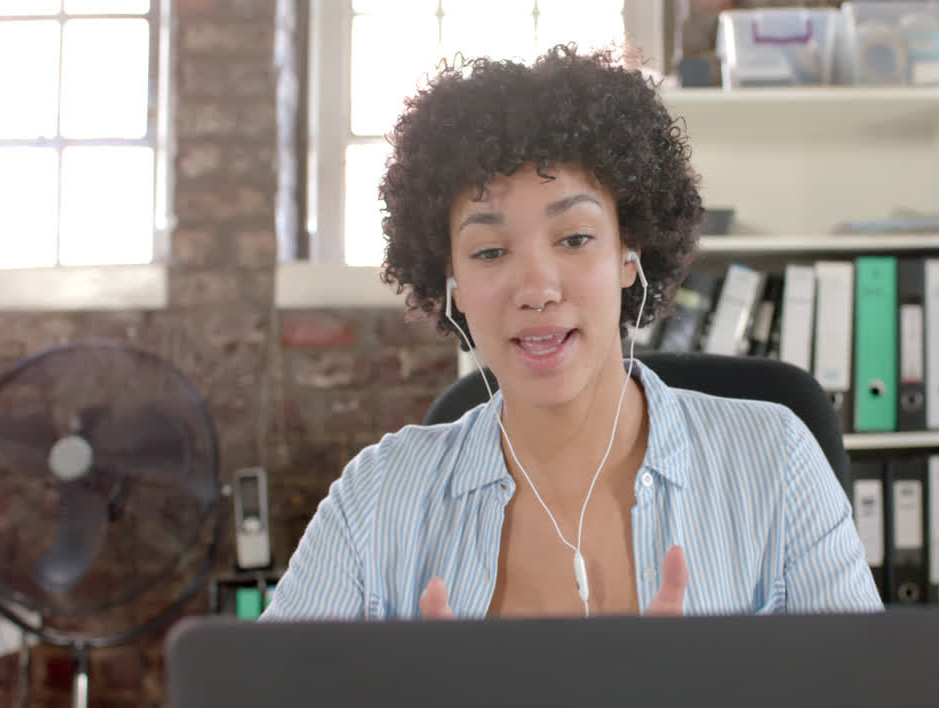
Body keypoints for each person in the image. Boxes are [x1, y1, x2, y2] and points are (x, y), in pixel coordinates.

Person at [259, 44, 883, 622]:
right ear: (449, 279)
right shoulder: (377, 501)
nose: (537, 288)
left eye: (575, 239)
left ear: (629, 253)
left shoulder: (774, 466)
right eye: (489, 251)